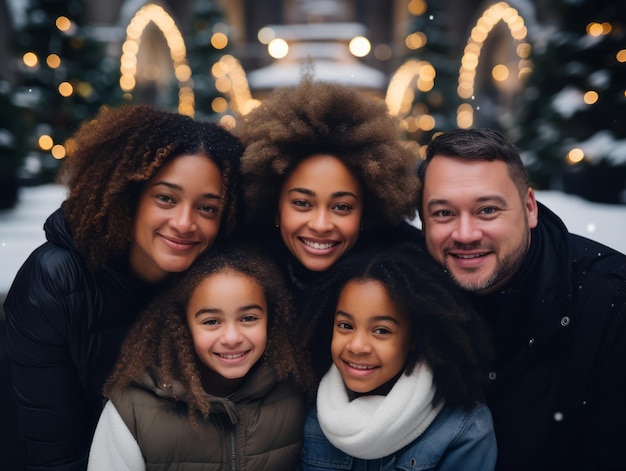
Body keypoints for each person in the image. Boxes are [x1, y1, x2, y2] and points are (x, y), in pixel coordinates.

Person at [3, 104, 243, 471]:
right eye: (166, 198)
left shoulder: (222, 282)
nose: (184, 223)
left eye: (207, 208)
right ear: (130, 196)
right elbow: (53, 452)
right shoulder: (53, 281)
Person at [417, 127, 626, 471]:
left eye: (487, 210)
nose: (465, 234)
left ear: (529, 208)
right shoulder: (408, 295)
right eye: (443, 213)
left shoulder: (609, 301)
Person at [235, 79, 421, 378]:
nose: (320, 224)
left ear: (366, 212)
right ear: (274, 204)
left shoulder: (400, 279)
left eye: (341, 207)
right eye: (302, 204)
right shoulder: (240, 269)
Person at [87, 243, 312, 470]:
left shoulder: (295, 391)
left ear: (270, 320)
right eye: (211, 321)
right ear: (183, 328)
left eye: (248, 318)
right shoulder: (132, 410)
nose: (232, 337)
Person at [301, 245, 496, 470]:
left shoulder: (463, 429)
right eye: (345, 325)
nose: (357, 346)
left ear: (414, 338)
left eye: (381, 330)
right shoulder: (315, 410)